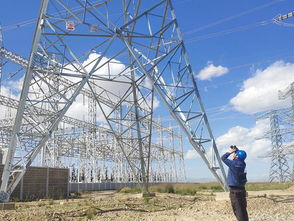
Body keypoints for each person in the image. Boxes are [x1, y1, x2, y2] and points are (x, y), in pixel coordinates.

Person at [221, 145, 248, 221]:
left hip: (234, 191)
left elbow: (223, 158)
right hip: (242, 190)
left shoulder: (233, 164)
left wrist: (231, 151)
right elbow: (239, 159)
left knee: (237, 210)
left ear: (236, 156)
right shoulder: (243, 164)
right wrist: (237, 152)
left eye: (235, 154)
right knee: (243, 209)